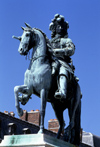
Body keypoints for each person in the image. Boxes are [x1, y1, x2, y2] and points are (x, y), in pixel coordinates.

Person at [49, 14, 76, 101]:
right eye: (58, 26)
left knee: (62, 71)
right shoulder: (49, 42)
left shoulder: (67, 40)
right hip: (50, 61)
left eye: (62, 27)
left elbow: (71, 50)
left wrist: (60, 51)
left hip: (62, 62)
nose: (60, 28)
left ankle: (62, 91)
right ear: (54, 28)